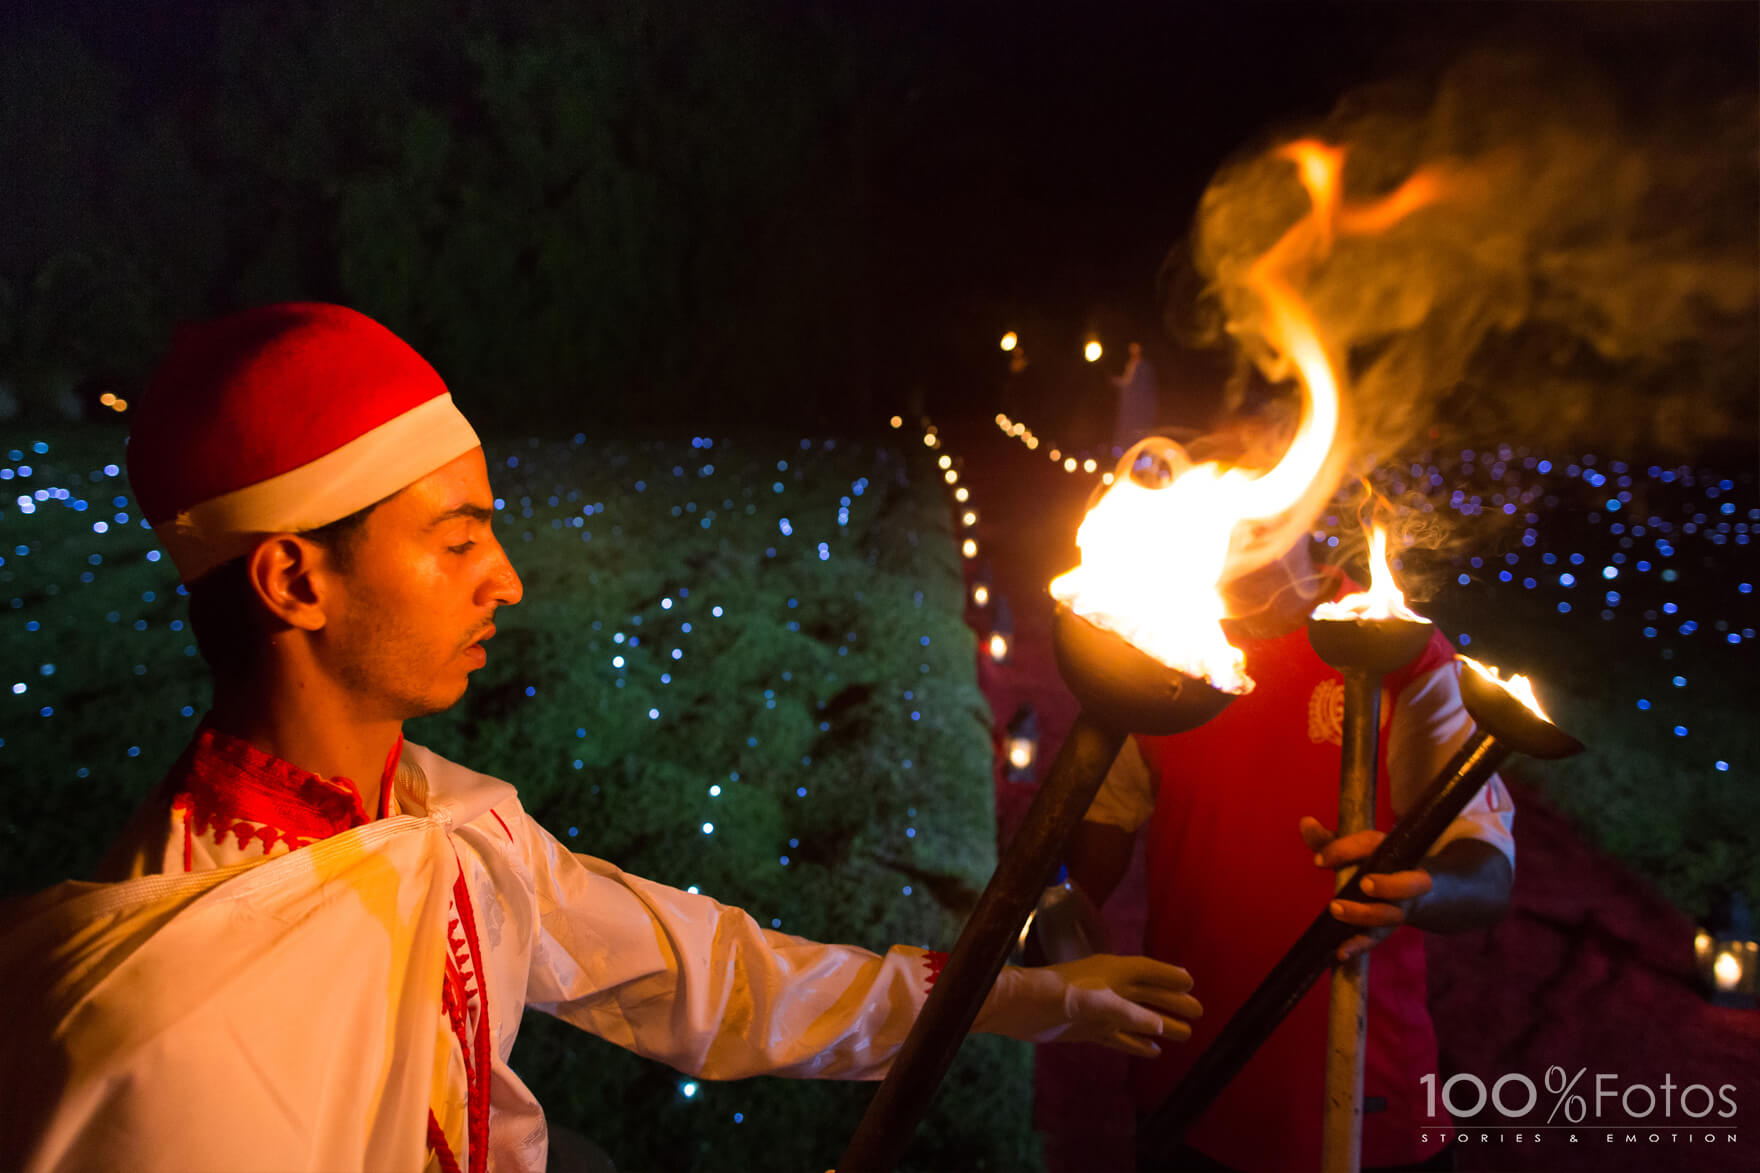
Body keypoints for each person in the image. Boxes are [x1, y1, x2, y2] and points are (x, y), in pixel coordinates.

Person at [0, 303, 1203, 1173]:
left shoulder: (442, 818)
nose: (507, 581)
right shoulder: (161, 1028)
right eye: (460, 540)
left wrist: (1023, 995)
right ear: (294, 580)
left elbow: (709, 979)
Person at [1060, 432, 1516, 1172]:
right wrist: (1058, 912)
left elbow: (1488, 868)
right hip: (1191, 1081)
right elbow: (1100, 830)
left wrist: (1418, 888)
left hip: (1369, 1101)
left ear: (1300, 499)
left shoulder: (1401, 651)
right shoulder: (1166, 661)